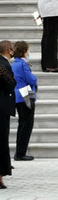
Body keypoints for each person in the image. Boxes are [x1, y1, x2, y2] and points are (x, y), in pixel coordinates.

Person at [11, 41, 37, 162]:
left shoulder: (14, 64)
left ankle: (20, 152)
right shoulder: (22, 64)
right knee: (27, 123)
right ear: (24, 51)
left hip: (18, 94)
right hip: (25, 93)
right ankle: (21, 153)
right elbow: (30, 79)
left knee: (23, 123)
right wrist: (35, 78)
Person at [0, 40, 14, 189]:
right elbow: (11, 83)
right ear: (10, 50)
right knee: (2, 141)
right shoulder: (4, 65)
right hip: (2, 108)